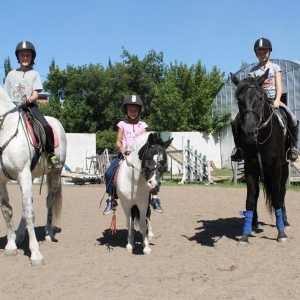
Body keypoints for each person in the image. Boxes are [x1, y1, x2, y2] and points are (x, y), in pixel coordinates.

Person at [231, 37, 299, 162]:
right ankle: (239, 148)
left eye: (264, 52)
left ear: (269, 52)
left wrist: (278, 100)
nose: (262, 55)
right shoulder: (253, 70)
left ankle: (292, 147)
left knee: (293, 119)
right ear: (256, 53)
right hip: (257, 102)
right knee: (233, 120)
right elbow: (250, 88)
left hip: (273, 99)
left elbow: (279, 85)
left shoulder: (275, 67)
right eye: (259, 52)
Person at [103, 95, 164, 215]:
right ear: (126, 110)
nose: (133, 113)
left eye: (135, 110)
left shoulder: (142, 125)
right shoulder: (122, 124)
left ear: (139, 111)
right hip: (125, 155)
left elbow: (146, 140)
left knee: (154, 173)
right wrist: (121, 148)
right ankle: (111, 199)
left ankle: (155, 199)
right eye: (130, 110)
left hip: (140, 157)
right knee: (109, 173)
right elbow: (118, 140)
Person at [4, 40, 61, 168]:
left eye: (28, 55)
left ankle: (51, 154)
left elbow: (36, 94)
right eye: (22, 55)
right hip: (13, 109)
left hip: (29, 107)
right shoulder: (11, 74)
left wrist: (29, 100)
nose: (25, 58)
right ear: (18, 57)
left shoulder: (34, 74)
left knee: (45, 126)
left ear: (32, 57)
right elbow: (6, 95)